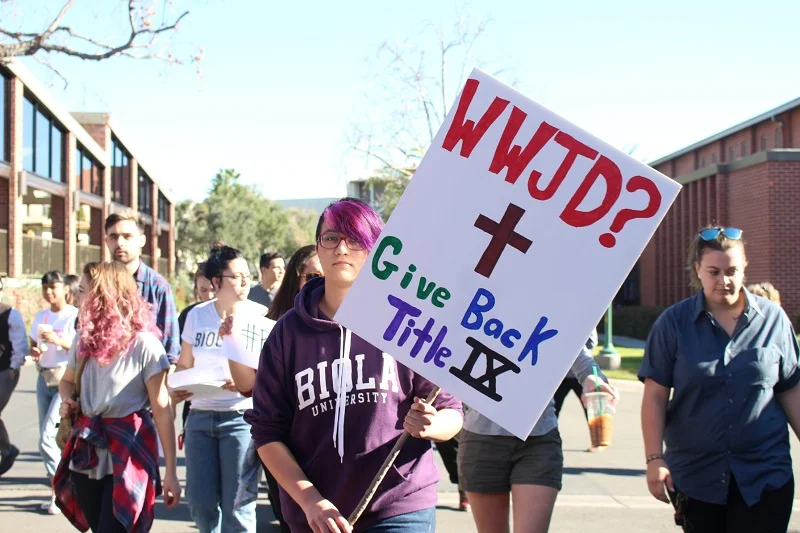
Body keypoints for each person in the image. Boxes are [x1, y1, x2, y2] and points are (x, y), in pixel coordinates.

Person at [245, 198, 464, 533]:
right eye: (331, 238)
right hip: (315, 515)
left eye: (355, 239)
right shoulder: (287, 334)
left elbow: (452, 412)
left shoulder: (407, 320)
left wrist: (431, 425)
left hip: (400, 505)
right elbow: (266, 431)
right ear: (318, 247)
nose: (341, 249)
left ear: (375, 248)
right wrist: (309, 500)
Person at [640, 227, 800, 533]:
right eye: (713, 271)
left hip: (765, 476)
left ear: (745, 270)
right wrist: (654, 459)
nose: (723, 280)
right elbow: (655, 396)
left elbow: (791, 391)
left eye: (732, 271)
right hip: (697, 478)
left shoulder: (774, 320)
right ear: (697, 269)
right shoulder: (673, 324)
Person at [54, 262, 180, 532]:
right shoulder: (83, 339)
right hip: (88, 449)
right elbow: (66, 382)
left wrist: (171, 471)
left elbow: (162, 410)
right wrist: (68, 400)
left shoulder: (145, 344)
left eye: (85, 291)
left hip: (129, 449)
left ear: (104, 295)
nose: (78, 298)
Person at [459, 342, 618, 533]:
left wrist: (594, 377)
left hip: (538, 440)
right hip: (481, 438)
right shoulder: (471, 313)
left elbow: (581, 355)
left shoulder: (552, 313)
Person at [226, 244, 322, 533]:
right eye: (314, 275)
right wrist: (231, 340)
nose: (324, 281)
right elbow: (247, 385)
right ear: (296, 279)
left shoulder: (350, 324)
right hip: (284, 449)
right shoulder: (271, 327)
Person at [172, 244, 265, 533]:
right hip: (199, 418)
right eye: (236, 276)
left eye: (247, 276)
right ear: (216, 282)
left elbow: (269, 374)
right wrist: (179, 384)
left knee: (238, 506)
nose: (244, 282)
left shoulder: (260, 315)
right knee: (200, 504)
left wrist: (243, 383)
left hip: (240, 419)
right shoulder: (196, 316)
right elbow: (184, 364)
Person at [29, 270, 79, 514]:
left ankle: (62, 487)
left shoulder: (73, 316)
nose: (49, 292)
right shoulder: (41, 315)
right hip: (44, 377)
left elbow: (78, 347)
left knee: (49, 438)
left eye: (53, 287)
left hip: (65, 379)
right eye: (45, 287)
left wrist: (58, 341)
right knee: (48, 435)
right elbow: (33, 343)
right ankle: (57, 490)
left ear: (65, 289)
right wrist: (35, 351)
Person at [105, 209, 180, 364]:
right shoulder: (98, 284)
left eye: (127, 236)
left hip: (145, 380)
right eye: (114, 236)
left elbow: (170, 348)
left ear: (141, 241)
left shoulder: (158, 287)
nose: (120, 242)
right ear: (107, 241)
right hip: (102, 378)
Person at [0, 277, 29, 477]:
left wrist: (13, 367)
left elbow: (20, 344)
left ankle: (7, 450)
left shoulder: (10, 314)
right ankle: (7, 449)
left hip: (4, 371)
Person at [553, 329, 598, 420]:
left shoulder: (585, 320)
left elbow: (591, 342)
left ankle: (597, 433)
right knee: (553, 410)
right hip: (561, 375)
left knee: (591, 411)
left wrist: (572, 340)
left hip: (581, 375)